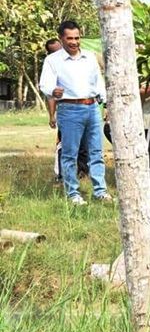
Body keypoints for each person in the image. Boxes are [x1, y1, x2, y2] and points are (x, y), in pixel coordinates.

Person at [39, 20, 112, 205]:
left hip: (92, 107)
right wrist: (52, 91)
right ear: (61, 39)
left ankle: (100, 191)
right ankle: (73, 193)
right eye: (69, 38)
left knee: (96, 152)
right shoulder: (52, 60)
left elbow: (98, 83)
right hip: (69, 109)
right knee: (70, 153)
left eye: (77, 38)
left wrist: (106, 104)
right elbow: (45, 84)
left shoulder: (89, 57)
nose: (74, 42)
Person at [44, 38, 90, 182]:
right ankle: (62, 175)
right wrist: (52, 116)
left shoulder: (77, 62)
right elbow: (51, 96)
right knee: (65, 145)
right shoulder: (52, 66)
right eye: (55, 50)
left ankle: (83, 172)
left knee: (84, 143)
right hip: (65, 112)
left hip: (83, 108)